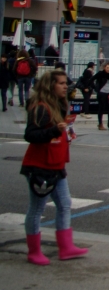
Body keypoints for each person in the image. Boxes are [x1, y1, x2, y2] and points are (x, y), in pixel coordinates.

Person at [21, 69, 89, 265]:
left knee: (65, 204)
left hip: (55, 164)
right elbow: (30, 135)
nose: (65, 86)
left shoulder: (59, 105)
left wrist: (67, 134)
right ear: (51, 86)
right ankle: (34, 251)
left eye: (66, 83)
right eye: (61, 83)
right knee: (37, 208)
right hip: (40, 165)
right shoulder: (42, 108)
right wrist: (53, 131)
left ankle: (66, 247)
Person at [93, 63, 109, 131]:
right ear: (104, 68)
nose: (108, 69)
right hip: (102, 93)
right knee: (101, 108)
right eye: (107, 68)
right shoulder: (100, 73)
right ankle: (100, 124)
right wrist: (96, 88)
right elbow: (92, 79)